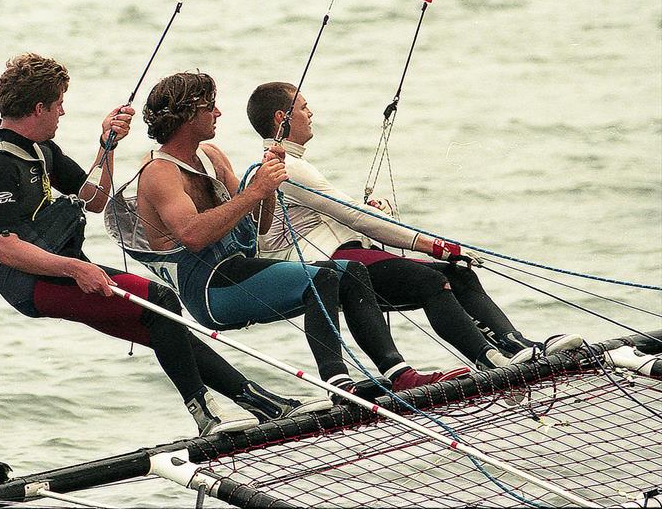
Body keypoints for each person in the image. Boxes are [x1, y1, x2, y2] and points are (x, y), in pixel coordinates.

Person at [0, 53, 330, 438]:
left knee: (162, 323)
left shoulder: (40, 149)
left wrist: (107, 145)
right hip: (32, 280)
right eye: (59, 103)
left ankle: (261, 403)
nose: (63, 112)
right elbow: (6, 250)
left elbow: (94, 198)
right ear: (38, 108)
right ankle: (208, 416)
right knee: (159, 303)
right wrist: (76, 268)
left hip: (57, 268)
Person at [117, 71, 470, 400]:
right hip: (209, 289)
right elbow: (192, 236)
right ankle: (338, 384)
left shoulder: (211, 156)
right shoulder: (159, 172)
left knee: (350, 272)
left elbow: (258, 226)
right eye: (210, 107)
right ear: (187, 115)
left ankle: (399, 373)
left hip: (239, 267)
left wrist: (270, 184)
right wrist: (254, 191)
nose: (219, 113)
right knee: (323, 278)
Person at [245, 82, 582, 369]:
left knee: (460, 273)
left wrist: (368, 215)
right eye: (304, 108)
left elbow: (338, 216)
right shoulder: (286, 166)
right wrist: (433, 245)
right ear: (282, 117)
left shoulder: (292, 163)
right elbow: (352, 218)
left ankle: (514, 342)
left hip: (347, 255)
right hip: (332, 266)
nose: (311, 113)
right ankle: (488, 358)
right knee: (431, 279)